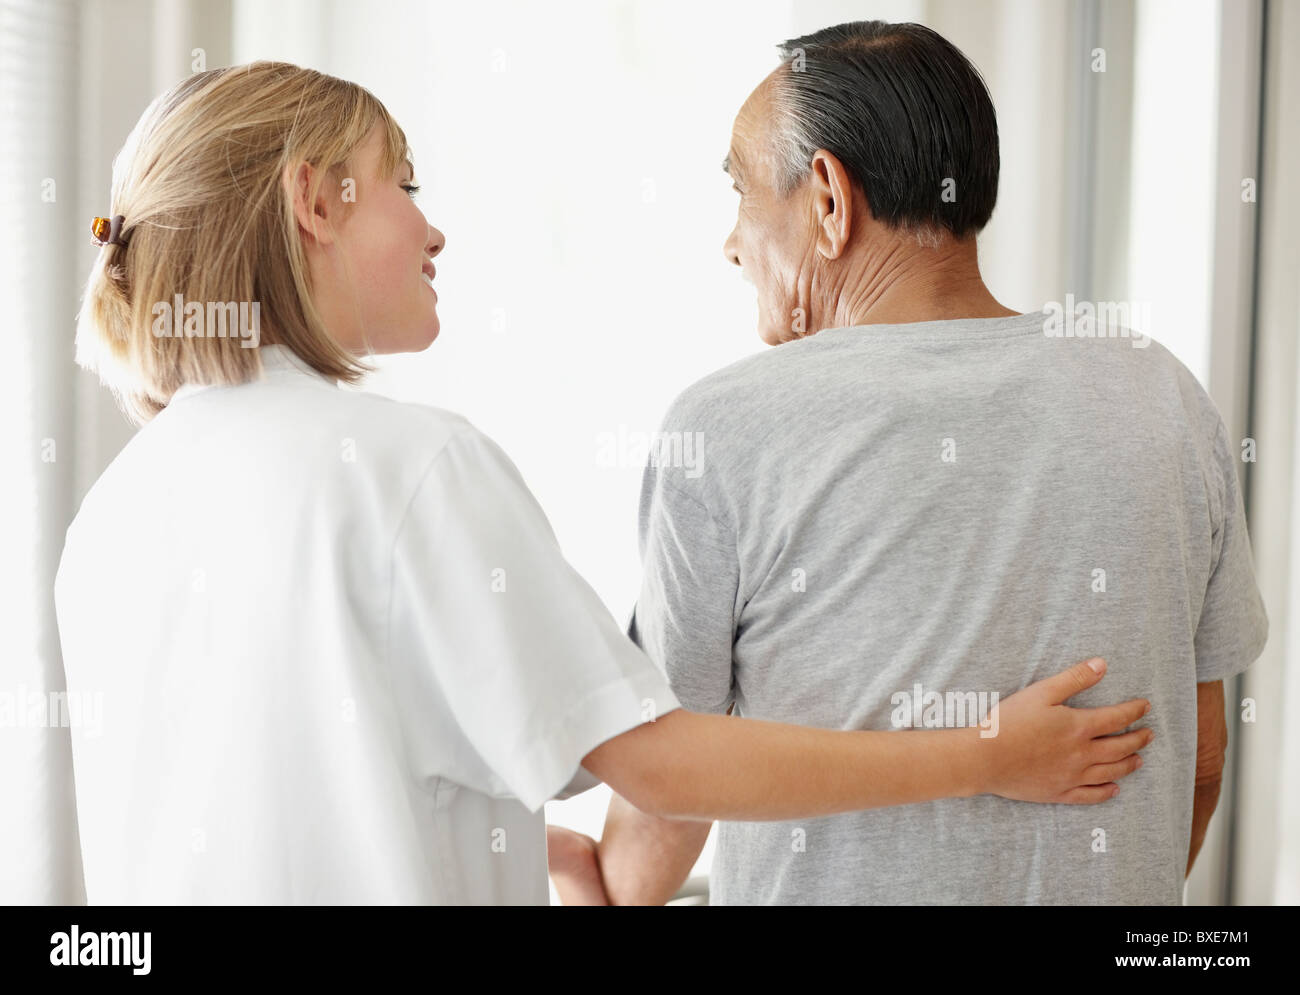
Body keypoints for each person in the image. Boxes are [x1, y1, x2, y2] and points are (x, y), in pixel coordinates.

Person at [55, 61, 1151, 905]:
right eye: (405, 180)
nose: (432, 226)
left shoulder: (114, 510)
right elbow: (661, 764)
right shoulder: (403, 465)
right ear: (315, 200)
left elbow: (263, 793)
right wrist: (986, 752)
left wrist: (499, 831)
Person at [547, 21, 1268, 907]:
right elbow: (1201, 759)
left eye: (739, 193)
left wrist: (603, 889)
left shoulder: (726, 430)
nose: (730, 245)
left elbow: (669, 781)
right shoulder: (1162, 394)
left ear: (827, 199)